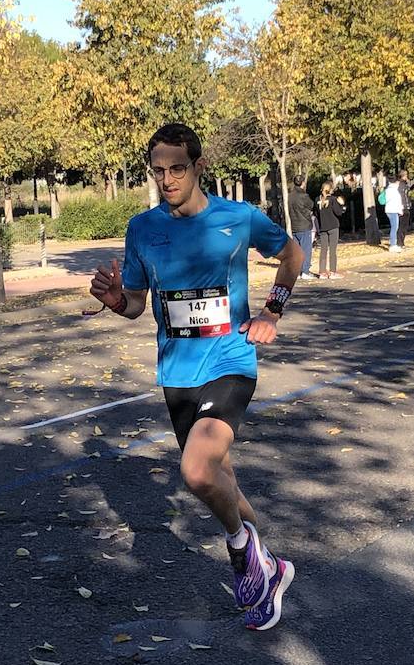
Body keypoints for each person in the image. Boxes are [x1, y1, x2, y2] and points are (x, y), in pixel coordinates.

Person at [89, 123, 303, 631]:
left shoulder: (238, 218)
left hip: (230, 361)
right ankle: (268, 566)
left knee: (198, 471)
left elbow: (292, 253)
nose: (167, 179)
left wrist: (272, 310)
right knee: (219, 475)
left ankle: (239, 552)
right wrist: (115, 300)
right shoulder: (143, 228)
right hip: (176, 373)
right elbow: (138, 305)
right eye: (158, 170)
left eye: (177, 169)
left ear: (199, 167)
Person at [286, 177, 316, 280]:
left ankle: (297, 271)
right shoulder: (304, 195)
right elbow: (311, 205)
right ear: (302, 183)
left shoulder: (290, 196)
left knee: (297, 251)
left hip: (294, 226)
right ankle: (305, 271)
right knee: (306, 249)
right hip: (304, 225)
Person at [315, 180, 345, 279]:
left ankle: (322, 272)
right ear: (330, 189)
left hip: (322, 227)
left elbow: (316, 214)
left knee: (323, 250)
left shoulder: (317, 200)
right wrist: (342, 205)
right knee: (332, 250)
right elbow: (338, 212)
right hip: (333, 226)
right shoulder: (332, 199)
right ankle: (332, 272)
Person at [383, 173, 405, 252]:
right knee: (394, 227)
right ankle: (393, 245)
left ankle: (393, 244)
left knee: (394, 227)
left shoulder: (388, 190)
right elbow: (397, 202)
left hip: (389, 210)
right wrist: (400, 210)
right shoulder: (394, 191)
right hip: (393, 210)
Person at [396, 171, 412, 247]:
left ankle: (402, 242)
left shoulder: (405, 184)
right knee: (402, 225)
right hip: (402, 207)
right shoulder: (400, 185)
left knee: (405, 225)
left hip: (406, 206)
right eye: (406, 175)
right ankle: (399, 242)